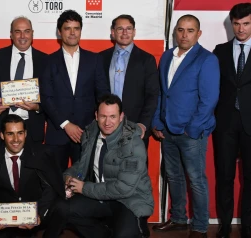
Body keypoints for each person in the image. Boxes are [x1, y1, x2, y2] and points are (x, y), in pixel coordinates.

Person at [151, 15, 220, 238]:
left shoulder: (207, 59)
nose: (184, 35)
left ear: (198, 34)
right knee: (174, 177)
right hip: (167, 129)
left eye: (190, 31)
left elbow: (209, 100)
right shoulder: (166, 56)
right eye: (180, 30)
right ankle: (179, 218)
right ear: (175, 33)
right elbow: (163, 92)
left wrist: (193, 128)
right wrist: (157, 121)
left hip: (191, 132)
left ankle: (200, 226)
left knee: (196, 180)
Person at [50, 94, 153, 238]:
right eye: (103, 116)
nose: (107, 122)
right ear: (96, 115)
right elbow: (83, 163)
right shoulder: (92, 133)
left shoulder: (133, 144)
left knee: (124, 235)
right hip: (100, 197)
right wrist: (68, 175)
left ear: (121, 116)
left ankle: (137, 226)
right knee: (61, 208)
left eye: (113, 117)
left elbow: (123, 189)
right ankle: (104, 231)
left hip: (128, 201)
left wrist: (84, 188)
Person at [0, 114, 65, 238]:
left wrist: (39, 215)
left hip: (34, 210)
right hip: (4, 214)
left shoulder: (41, 154)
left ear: (25, 134)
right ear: (2, 135)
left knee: (62, 208)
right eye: (10, 134)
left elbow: (49, 190)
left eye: (20, 133)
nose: (16, 139)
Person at [40, 9, 110, 172]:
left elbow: (102, 94)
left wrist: (98, 124)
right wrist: (66, 124)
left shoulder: (94, 59)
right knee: (55, 183)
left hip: (87, 133)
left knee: (86, 183)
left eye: (76, 28)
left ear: (80, 31)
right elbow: (46, 97)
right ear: (59, 32)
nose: (72, 33)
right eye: (67, 28)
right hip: (57, 133)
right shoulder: (48, 61)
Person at [213, 3, 251, 238]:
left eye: (246, 23)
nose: (241, 29)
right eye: (236, 24)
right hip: (225, 123)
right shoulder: (220, 50)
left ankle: (247, 225)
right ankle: (225, 225)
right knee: (224, 176)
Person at [0, 16, 47, 146]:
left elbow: (51, 96)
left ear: (32, 33)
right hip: (0, 127)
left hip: (32, 129)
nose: (23, 36)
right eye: (18, 31)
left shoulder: (45, 61)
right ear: (11, 34)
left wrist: (38, 107)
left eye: (27, 31)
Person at [99, 14, 159, 147]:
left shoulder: (146, 60)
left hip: (135, 126)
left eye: (129, 28)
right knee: (105, 166)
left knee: (136, 167)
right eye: (120, 29)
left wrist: (143, 124)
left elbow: (152, 95)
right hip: (106, 125)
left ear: (134, 32)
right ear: (113, 32)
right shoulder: (101, 58)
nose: (125, 33)